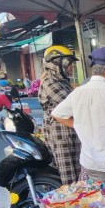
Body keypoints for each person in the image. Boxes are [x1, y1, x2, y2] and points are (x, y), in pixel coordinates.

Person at [51, 47, 105, 189]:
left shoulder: (77, 92)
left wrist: (78, 124)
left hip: (92, 162)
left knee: (104, 201)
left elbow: (57, 114)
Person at [37, 45, 82, 185]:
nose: (71, 68)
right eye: (69, 64)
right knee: (69, 178)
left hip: (70, 134)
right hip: (61, 137)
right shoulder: (50, 83)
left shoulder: (62, 82)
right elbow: (73, 104)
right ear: (57, 64)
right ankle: (71, 204)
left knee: (78, 172)